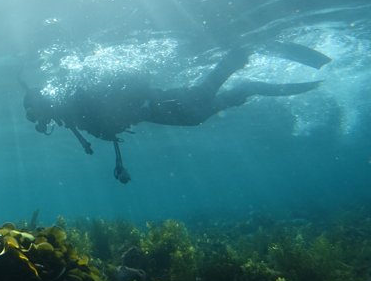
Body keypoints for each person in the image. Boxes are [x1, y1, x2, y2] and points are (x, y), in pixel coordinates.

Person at [21, 44, 331, 184]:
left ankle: (236, 57)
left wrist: (134, 110)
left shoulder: (72, 105)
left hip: (152, 104)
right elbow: (107, 124)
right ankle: (242, 85)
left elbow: (109, 114)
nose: (39, 122)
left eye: (35, 115)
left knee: (199, 100)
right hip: (151, 108)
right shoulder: (70, 112)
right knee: (199, 110)